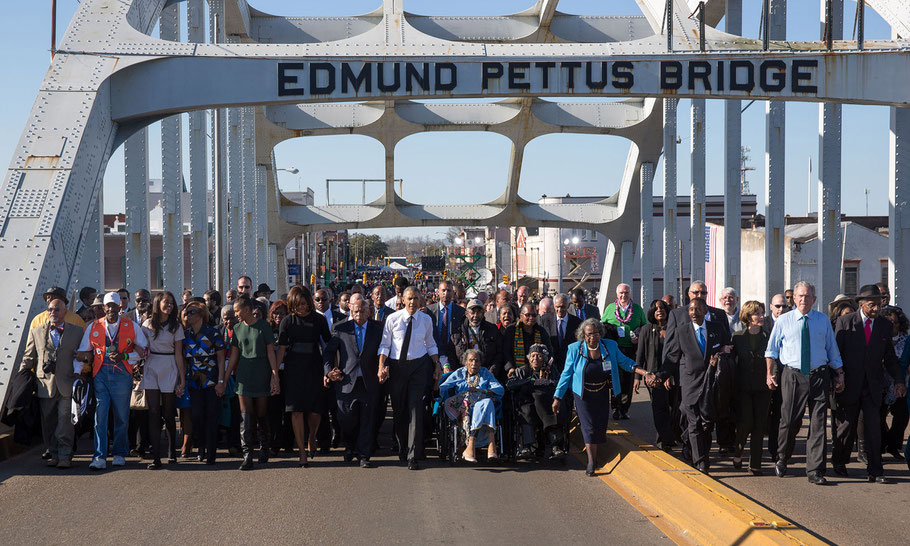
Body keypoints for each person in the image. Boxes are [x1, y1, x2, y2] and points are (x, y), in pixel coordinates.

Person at [765, 281, 844, 485]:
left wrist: (839, 373)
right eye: (799, 296)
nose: (803, 299)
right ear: (793, 298)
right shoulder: (784, 321)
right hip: (793, 376)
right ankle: (783, 457)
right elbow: (771, 351)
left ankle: (815, 470)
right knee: (790, 421)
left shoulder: (822, 320)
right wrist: (769, 373)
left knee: (818, 426)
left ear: (814, 300)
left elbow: (831, 349)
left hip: (819, 376)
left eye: (807, 296)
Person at [554, 318, 653, 476]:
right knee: (588, 427)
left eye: (595, 334)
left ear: (600, 333)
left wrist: (643, 372)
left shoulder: (610, 346)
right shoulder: (574, 349)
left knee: (599, 427)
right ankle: (591, 461)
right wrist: (557, 397)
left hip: (601, 393)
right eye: (588, 334)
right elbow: (566, 374)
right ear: (583, 335)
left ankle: (595, 453)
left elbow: (625, 362)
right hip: (583, 395)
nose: (592, 337)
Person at [832, 285, 905, 483]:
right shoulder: (845, 322)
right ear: (861, 305)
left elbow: (889, 357)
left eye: (879, 304)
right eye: (872, 305)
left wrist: (899, 380)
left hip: (873, 386)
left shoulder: (884, 325)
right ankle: (839, 461)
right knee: (846, 427)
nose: (876, 309)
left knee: (874, 428)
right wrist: (837, 378)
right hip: (849, 385)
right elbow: (836, 354)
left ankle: (876, 470)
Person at [75, 293, 149, 470]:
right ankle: (99, 456)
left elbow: (144, 350)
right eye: (107, 307)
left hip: (122, 375)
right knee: (100, 415)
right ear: (103, 308)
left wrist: (125, 356)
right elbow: (82, 351)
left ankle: (119, 453)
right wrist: (78, 373)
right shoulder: (94, 326)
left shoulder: (131, 326)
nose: (110, 310)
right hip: (100, 374)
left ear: (119, 308)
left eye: (114, 307)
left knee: (121, 416)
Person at [658, 298, 731, 474]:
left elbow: (728, 348)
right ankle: (701, 462)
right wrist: (660, 376)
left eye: (697, 310)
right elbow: (672, 358)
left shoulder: (717, 328)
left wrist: (721, 355)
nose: (693, 313)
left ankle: (697, 451)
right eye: (691, 310)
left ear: (705, 310)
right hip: (690, 384)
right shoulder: (681, 331)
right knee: (694, 423)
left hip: (711, 384)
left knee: (707, 424)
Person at [378, 286, 441, 470]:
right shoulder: (393, 319)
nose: (412, 302)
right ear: (403, 300)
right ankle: (402, 447)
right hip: (398, 367)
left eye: (415, 299)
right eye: (409, 299)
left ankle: (413, 455)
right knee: (399, 410)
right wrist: (381, 366)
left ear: (420, 300)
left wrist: (436, 364)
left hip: (419, 366)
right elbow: (385, 345)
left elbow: (430, 343)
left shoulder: (426, 320)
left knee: (415, 408)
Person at [20, 297, 83, 468]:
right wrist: (22, 376)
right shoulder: (37, 331)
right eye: (50, 309)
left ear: (65, 311)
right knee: (48, 421)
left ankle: (65, 455)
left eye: (56, 309)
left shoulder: (77, 332)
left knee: (65, 420)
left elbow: (84, 354)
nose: (52, 313)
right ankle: (53, 452)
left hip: (67, 382)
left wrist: (80, 370)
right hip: (44, 384)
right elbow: (29, 356)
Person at [219, 295, 280, 470]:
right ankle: (247, 455)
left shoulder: (264, 327)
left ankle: (264, 448)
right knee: (245, 416)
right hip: (244, 375)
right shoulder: (237, 328)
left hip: (261, 373)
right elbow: (234, 356)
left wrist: (275, 376)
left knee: (261, 414)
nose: (235, 314)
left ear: (247, 310)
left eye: (237, 311)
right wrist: (224, 377)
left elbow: (271, 354)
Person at [275, 285, 332, 467]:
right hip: (293, 371)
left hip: (314, 368)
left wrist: (330, 369)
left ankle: (312, 436)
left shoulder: (319, 320)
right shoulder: (287, 322)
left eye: (304, 303)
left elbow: (328, 345)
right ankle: (301, 452)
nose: (302, 307)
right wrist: (275, 374)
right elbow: (281, 350)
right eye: (297, 304)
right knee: (296, 411)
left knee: (315, 412)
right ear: (292, 304)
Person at [323, 294, 382, 467]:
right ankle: (350, 447)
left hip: (369, 381)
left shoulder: (377, 329)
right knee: (346, 420)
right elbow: (329, 352)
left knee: (367, 420)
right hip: (346, 381)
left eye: (363, 310)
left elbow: (384, 351)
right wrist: (328, 372)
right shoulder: (341, 329)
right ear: (351, 310)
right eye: (356, 311)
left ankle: (364, 455)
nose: (359, 314)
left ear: (368, 311)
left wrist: (383, 368)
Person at [140, 291, 186, 469]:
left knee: (168, 413)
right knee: (153, 412)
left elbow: (179, 354)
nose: (170, 306)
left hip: (169, 365)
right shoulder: (147, 324)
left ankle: (171, 453)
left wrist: (182, 380)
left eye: (172, 303)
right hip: (152, 365)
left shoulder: (176, 326)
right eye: (166, 302)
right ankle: (156, 457)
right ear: (157, 303)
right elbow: (140, 346)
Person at [181, 301, 226, 465]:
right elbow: (183, 361)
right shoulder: (185, 336)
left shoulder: (213, 333)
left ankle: (211, 453)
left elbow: (221, 359)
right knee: (196, 416)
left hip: (212, 381)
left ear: (201, 314)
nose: (188, 315)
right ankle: (201, 447)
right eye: (186, 313)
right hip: (194, 382)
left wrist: (221, 381)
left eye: (191, 312)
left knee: (212, 416)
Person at [440, 349, 504, 463]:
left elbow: (499, 389)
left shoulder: (485, 373)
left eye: (477, 361)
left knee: (486, 403)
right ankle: (491, 445)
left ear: (481, 363)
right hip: (464, 407)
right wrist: (462, 393)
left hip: (482, 404)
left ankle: (471, 444)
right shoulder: (459, 373)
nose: (474, 364)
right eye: (471, 360)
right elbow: (443, 387)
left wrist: (482, 390)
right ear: (465, 362)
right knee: (483, 403)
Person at [730, 301, 772, 475]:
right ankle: (738, 452)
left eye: (762, 313)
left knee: (759, 426)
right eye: (757, 313)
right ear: (748, 317)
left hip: (763, 388)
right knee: (746, 423)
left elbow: (773, 358)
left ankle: (755, 463)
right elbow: (732, 363)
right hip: (743, 388)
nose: (761, 316)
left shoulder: (768, 337)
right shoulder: (737, 337)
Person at [635, 299, 677, 451]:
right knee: (659, 408)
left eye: (662, 308)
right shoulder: (647, 329)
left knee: (674, 408)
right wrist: (637, 378)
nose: (660, 310)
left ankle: (672, 436)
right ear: (652, 312)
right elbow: (640, 355)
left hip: (673, 374)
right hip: (653, 377)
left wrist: (671, 375)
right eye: (656, 308)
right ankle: (664, 441)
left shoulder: (674, 328)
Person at [601, 283, 647, 420]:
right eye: (621, 293)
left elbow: (644, 326)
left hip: (630, 349)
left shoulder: (637, 309)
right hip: (615, 349)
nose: (623, 295)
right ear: (617, 294)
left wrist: (638, 336)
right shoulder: (610, 308)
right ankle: (615, 407)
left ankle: (625, 409)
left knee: (628, 379)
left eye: (626, 293)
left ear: (630, 294)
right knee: (615, 378)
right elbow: (602, 326)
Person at [511, 344, 565, 459]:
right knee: (527, 409)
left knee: (548, 404)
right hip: (526, 403)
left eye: (539, 356)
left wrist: (548, 382)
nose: (535, 359)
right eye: (533, 356)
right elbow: (510, 384)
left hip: (545, 404)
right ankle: (526, 446)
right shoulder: (521, 371)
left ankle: (555, 446)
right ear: (529, 358)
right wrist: (528, 381)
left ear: (544, 359)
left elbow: (559, 383)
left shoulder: (551, 370)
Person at [878, 306, 909, 464]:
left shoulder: (906, 340)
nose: (892, 325)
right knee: (879, 417)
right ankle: (882, 445)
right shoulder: (880, 338)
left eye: (895, 322)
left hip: (901, 384)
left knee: (902, 417)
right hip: (881, 383)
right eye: (889, 322)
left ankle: (894, 445)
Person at [452, 299, 502, 378]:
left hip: (487, 372)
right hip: (464, 373)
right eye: (472, 312)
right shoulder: (457, 331)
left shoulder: (492, 329)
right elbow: (452, 354)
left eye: (478, 312)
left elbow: (499, 353)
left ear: (483, 314)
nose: (475, 315)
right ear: (466, 314)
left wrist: (492, 371)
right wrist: (460, 372)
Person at [502, 303, 552, 379]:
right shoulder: (511, 330)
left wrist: (546, 366)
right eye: (527, 315)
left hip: (537, 373)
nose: (531, 318)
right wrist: (510, 368)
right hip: (516, 372)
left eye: (534, 315)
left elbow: (548, 351)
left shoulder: (541, 331)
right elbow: (506, 351)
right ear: (521, 315)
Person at [426, 280, 465, 374]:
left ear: (453, 292)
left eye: (448, 290)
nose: (445, 293)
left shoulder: (461, 312)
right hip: (432, 355)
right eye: (443, 290)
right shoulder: (429, 311)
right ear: (438, 292)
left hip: (454, 356)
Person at [538, 293, 582, 376]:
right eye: (557, 307)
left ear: (568, 306)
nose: (559, 310)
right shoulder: (544, 319)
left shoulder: (577, 322)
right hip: (550, 365)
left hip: (569, 364)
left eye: (562, 307)